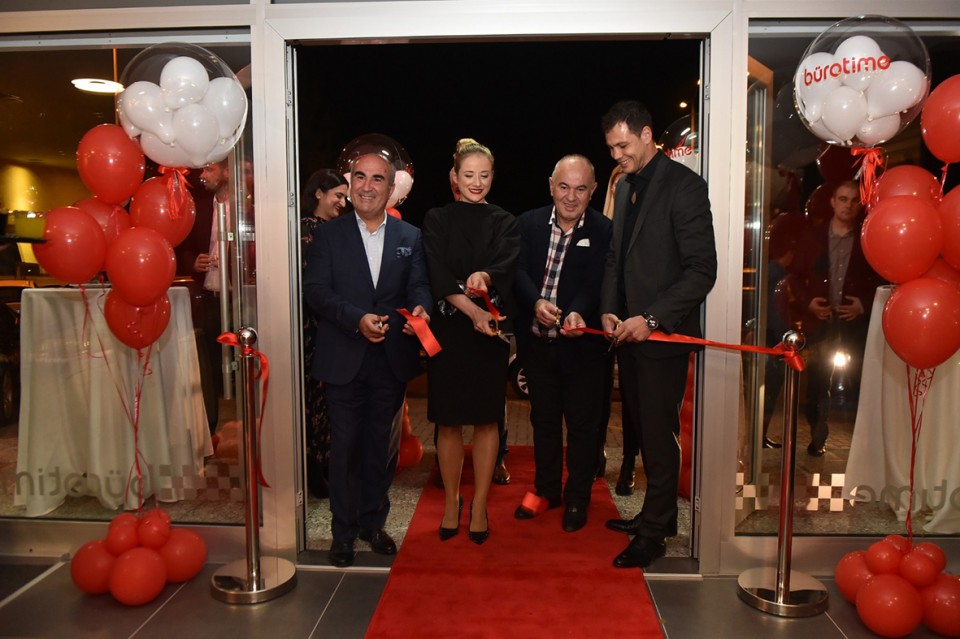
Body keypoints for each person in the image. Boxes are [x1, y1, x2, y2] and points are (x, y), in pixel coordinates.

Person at [600, 100, 717, 569]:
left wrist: (650, 319)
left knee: (659, 435)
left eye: (623, 145)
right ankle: (658, 515)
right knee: (644, 430)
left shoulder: (685, 186)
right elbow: (616, 258)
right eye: (611, 148)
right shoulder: (627, 185)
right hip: (627, 336)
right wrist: (609, 309)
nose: (617, 156)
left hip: (661, 337)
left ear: (647, 135)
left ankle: (654, 534)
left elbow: (701, 270)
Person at [304, 152, 432, 568]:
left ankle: (372, 525)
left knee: (380, 449)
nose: (366, 186)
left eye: (377, 179)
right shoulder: (329, 234)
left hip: (390, 360)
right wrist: (355, 319)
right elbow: (315, 291)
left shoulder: (410, 236)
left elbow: (419, 286)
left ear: (390, 188)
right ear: (351, 182)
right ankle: (342, 533)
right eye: (359, 177)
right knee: (344, 449)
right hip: (343, 356)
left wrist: (422, 310)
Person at [423, 138, 519, 545]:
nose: (476, 182)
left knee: (486, 419)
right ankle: (451, 501)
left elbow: (506, 264)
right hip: (451, 330)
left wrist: (487, 277)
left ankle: (479, 504)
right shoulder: (437, 218)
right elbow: (437, 274)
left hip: (489, 334)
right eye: (468, 175)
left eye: (484, 175)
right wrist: (473, 311)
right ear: (454, 176)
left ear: (492, 177)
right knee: (447, 421)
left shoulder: (505, 221)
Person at [512, 155, 612, 532]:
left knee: (584, 427)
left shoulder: (604, 230)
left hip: (584, 352)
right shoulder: (528, 223)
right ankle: (546, 489)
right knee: (544, 422)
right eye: (564, 187)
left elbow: (597, 282)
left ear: (593, 190)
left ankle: (577, 498)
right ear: (551, 186)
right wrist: (535, 302)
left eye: (580, 188)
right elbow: (517, 271)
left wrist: (578, 312)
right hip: (538, 346)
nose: (571, 196)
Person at [794, 180, 884, 457]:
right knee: (817, 382)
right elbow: (795, 276)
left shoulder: (870, 236)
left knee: (858, 381)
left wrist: (864, 305)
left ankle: (862, 446)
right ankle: (817, 436)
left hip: (854, 324)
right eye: (843, 199)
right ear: (833, 202)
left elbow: (882, 276)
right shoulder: (813, 236)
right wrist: (809, 303)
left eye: (854, 200)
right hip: (821, 322)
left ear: (861, 204)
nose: (848, 205)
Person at [300, 168, 349, 498]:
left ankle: (325, 469)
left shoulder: (333, 230)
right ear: (319, 193)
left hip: (330, 325)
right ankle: (316, 472)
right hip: (313, 328)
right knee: (315, 401)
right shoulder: (308, 231)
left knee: (325, 402)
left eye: (345, 197)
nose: (342, 202)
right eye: (338, 195)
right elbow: (315, 285)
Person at [175, 160, 230, 437]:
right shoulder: (198, 206)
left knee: (240, 365)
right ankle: (210, 431)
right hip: (207, 297)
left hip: (239, 298)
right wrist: (191, 262)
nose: (203, 175)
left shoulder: (247, 209)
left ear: (227, 171)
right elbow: (181, 246)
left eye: (210, 169)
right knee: (207, 366)